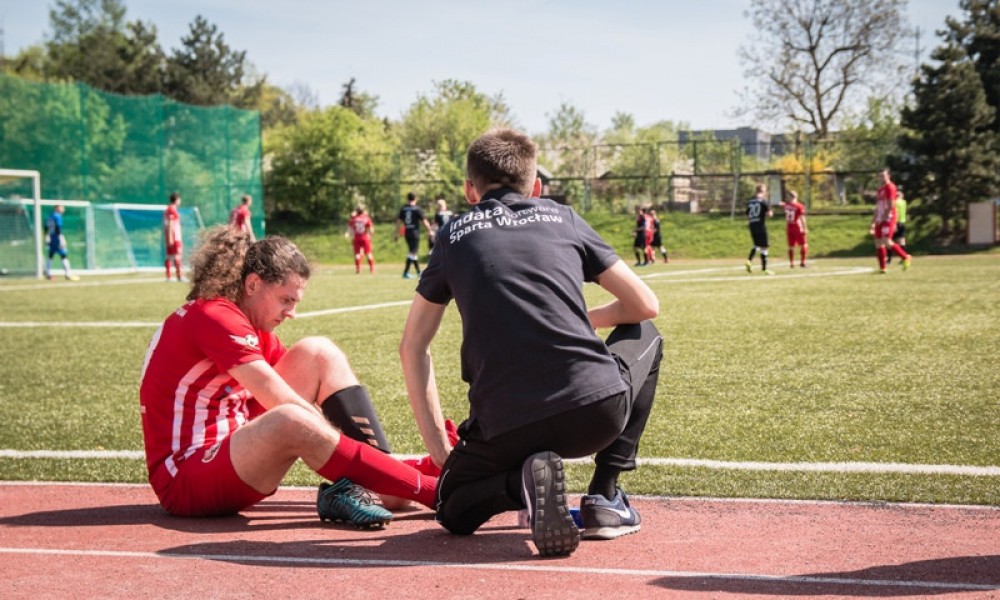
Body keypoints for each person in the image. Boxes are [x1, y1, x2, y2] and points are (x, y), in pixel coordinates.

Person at [399, 128, 663, 558]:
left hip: (506, 426)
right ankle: (604, 496)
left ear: (470, 190)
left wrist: (439, 449)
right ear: (537, 187)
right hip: (593, 413)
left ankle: (518, 481)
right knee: (646, 338)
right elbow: (644, 305)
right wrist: (584, 322)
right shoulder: (563, 216)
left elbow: (413, 346)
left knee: (452, 509)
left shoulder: (452, 236)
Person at [138, 225, 438, 525]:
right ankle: (433, 491)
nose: (291, 312)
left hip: (231, 447)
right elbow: (287, 406)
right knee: (291, 419)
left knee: (318, 352)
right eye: (285, 300)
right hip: (187, 477)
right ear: (253, 284)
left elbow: (304, 382)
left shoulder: (248, 322)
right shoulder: (215, 316)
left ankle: (388, 481)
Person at [871, 169, 912, 273]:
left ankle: (905, 257)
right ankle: (883, 268)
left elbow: (891, 204)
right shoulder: (880, 190)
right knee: (878, 242)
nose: (882, 178)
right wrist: (874, 221)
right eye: (880, 176)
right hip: (880, 218)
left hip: (888, 217)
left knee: (887, 241)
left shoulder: (890, 187)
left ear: (889, 176)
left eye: (884, 175)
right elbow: (877, 206)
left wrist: (884, 217)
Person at [395, 192, 432, 279]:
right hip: (414, 232)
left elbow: (398, 222)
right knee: (413, 252)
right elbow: (424, 221)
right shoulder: (417, 209)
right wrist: (429, 230)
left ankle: (419, 272)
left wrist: (396, 233)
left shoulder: (403, 209)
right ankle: (405, 272)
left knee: (413, 252)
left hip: (407, 232)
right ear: (416, 198)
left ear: (407, 199)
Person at [744, 183, 774, 275]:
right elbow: (769, 214)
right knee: (765, 246)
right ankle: (764, 269)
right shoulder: (763, 201)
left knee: (756, 244)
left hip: (752, 225)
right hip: (760, 226)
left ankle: (749, 260)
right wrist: (770, 212)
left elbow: (746, 215)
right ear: (763, 191)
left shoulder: (750, 202)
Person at [44, 204, 79, 281]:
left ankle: (48, 273)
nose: (63, 209)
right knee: (63, 255)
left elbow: (46, 227)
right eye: (61, 207)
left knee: (50, 256)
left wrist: (46, 236)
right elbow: (58, 228)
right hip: (57, 238)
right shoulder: (57, 216)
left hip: (51, 237)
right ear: (56, 208)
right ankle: (68, 274)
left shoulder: (49, 216)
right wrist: (61, 238)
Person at [781, 190, 808, 268]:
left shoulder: (786, 205)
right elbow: (802, 217)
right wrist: (805, 227)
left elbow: (784, 205)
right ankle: (802, 262)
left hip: (789, 226)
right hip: (797, 226)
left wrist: (782, 204)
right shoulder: (799, 206)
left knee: (791, 246)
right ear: (796, 197)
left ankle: (791, 263)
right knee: (804, 244)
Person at [346, 204, 376, 274]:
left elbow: (350, 226)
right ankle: (372, 269)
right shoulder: (366, 218)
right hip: (365, 237)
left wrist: (348, 234)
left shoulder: (354, 218)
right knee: (368, 253)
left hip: (357, 237)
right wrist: (371, 234)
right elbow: (370, 229)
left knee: (357, 254)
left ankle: (358, 269)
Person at [164, 193, 184, 282]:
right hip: (175, 236)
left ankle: (169, 276)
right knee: (177, 255)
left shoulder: (169, 209)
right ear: (176, 200)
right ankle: (179, 276)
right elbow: (170, 224)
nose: (180, 201)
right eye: (179, 199)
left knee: (169, 256)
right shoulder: (171, 210)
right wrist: (171, 237)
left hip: (172, 236)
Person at [887, 189, 908, 265]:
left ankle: (889, 259)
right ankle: (904, 257)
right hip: (902, 223)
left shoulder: (895, 203)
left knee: (889, 241)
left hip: (895, 223)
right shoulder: (904, 202)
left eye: (897, 195)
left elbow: (893, 211)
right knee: (902, 241)